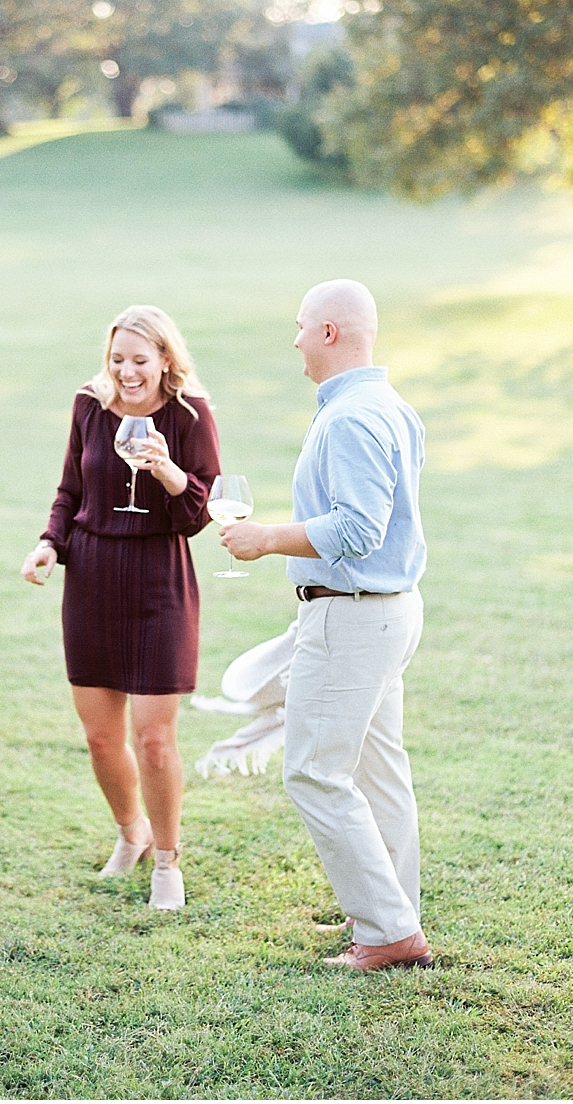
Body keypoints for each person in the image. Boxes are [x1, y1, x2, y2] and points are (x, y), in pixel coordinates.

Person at [221, 279, 432, 972]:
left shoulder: (349, 417)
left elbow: (361, 528)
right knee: (379, 770)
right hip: (387, 611)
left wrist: (266, 538)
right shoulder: (390, 406)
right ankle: (388, 912)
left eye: (302, 326)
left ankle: (386, 931)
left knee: (313, 770)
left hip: (352, 616)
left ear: (331, 332)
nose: (296, 340)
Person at [21, 306, 220, 910]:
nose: (127, 373)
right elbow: (69, 491)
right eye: (117, 360)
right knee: (101, 738)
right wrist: (48, 544)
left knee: (155, 739)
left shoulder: (189, 416)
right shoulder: (89, 405)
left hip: (159, 581)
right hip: (92, 578)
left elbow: (201, 513)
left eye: (140, 360)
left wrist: (166, 471)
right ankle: (130, 833)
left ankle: (167, 860)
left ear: (165, 358)